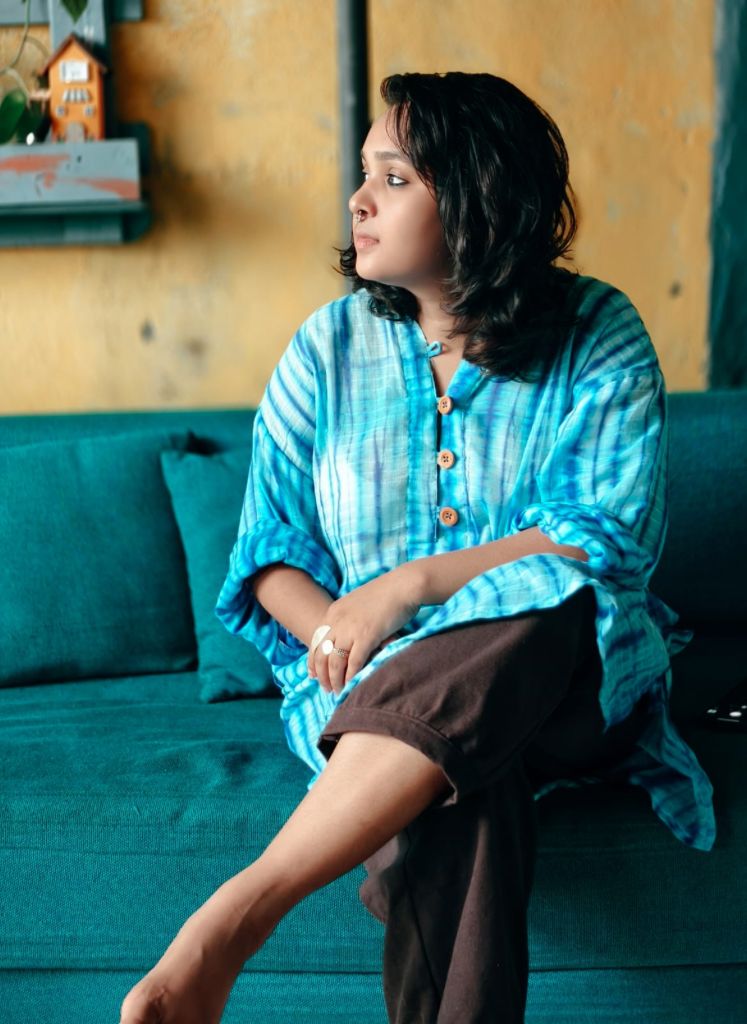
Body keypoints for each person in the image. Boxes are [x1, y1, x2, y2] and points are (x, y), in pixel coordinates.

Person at [119, 71, 716, 1024]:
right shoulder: (325, 348)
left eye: (394, 178)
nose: (358, 200)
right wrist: (355, 648)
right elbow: (269, 552)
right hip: (366, 690)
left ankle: (234, 917)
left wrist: (409, 590)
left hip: (567, 683)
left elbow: (601, 541)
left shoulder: (598, 334)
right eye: (363, 173)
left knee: (546, 599)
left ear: (480, 195)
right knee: (458, 784)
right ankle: (372, 777)